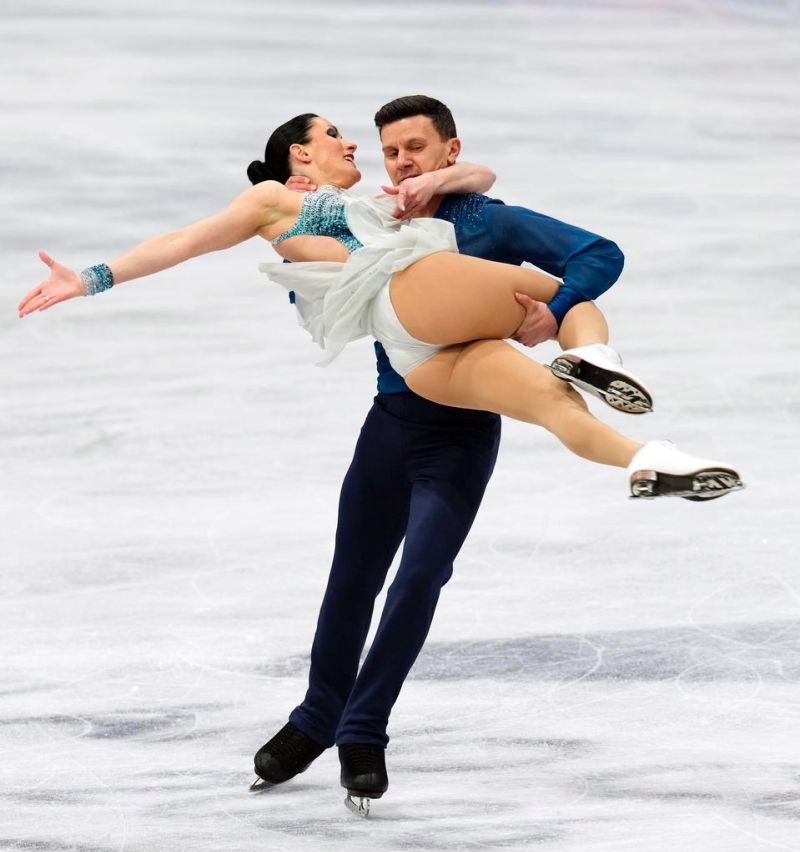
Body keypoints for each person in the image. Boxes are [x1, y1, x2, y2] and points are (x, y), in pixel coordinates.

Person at [18, 102, 744, 810]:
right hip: (396, 414)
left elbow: (487, 182)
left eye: (410, 150)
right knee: (352, 580)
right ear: (300, 155)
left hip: (461, 415)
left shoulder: (443, 210)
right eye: (355, 140)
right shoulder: (308, 202)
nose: (374, 154)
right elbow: (189, 238)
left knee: (422, 574)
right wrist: (92, 277)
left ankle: (365, 727)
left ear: (446, 151)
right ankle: (317, 719)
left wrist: (465, 198)